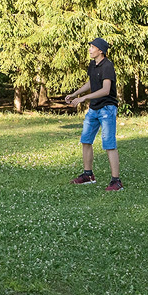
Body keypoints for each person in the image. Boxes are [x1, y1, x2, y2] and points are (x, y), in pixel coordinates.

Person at [64, 37, 122, 191]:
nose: (89, 49)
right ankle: (88, 175)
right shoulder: (93, 64)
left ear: (100, 51)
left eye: (92, 47)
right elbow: (91, 83)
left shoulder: (107, 66)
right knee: (86, 140)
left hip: (107, 109)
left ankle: (116, 181)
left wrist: (84, 98)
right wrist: (75, 94)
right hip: (94, 108)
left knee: (109, 144)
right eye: (89, 47)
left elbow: (105, 90)